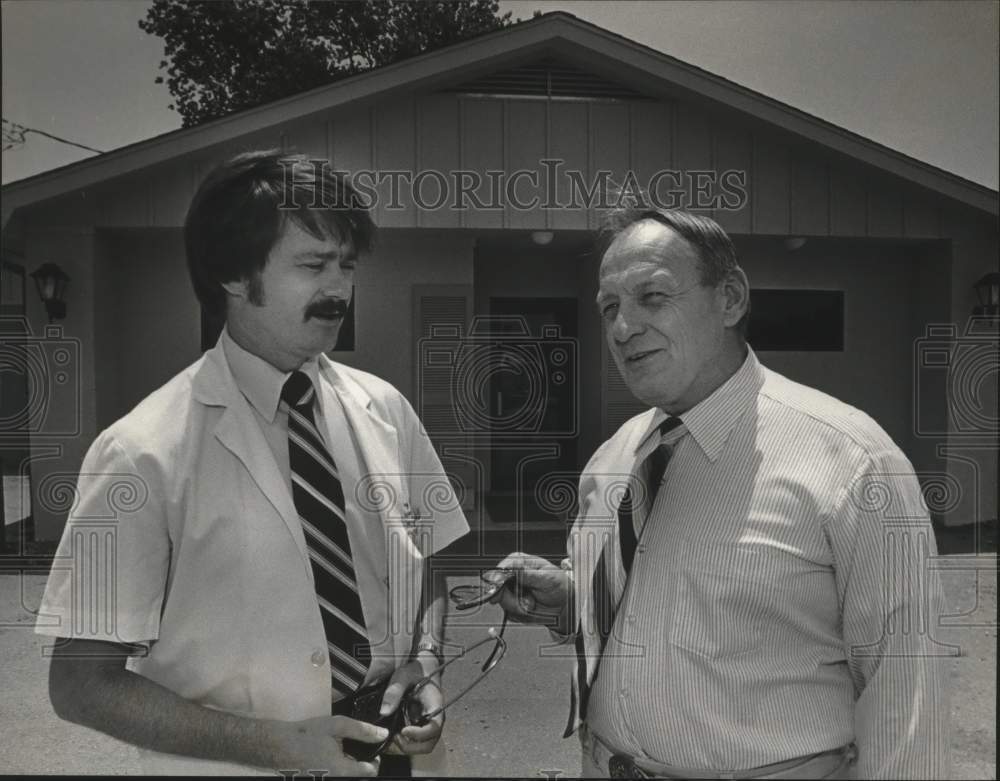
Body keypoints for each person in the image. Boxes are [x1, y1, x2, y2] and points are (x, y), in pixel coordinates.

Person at [36, 150, 469, 777]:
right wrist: (275, 746)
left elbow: (425, 563)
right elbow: (79, 686)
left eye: (346, 265)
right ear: (235, 276)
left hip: (399, 759)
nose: (339, 288)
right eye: (314, 264)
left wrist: (423, 660)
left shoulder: (387, 410)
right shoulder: (138, 453)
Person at [491, 207, 950, 779]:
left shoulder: (853, 461)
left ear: (730, 298)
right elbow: (654, 598)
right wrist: (573, 603)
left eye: (652, 297)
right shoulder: (615, 458)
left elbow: (905, 695)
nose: (622, 328)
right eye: (610, 307)